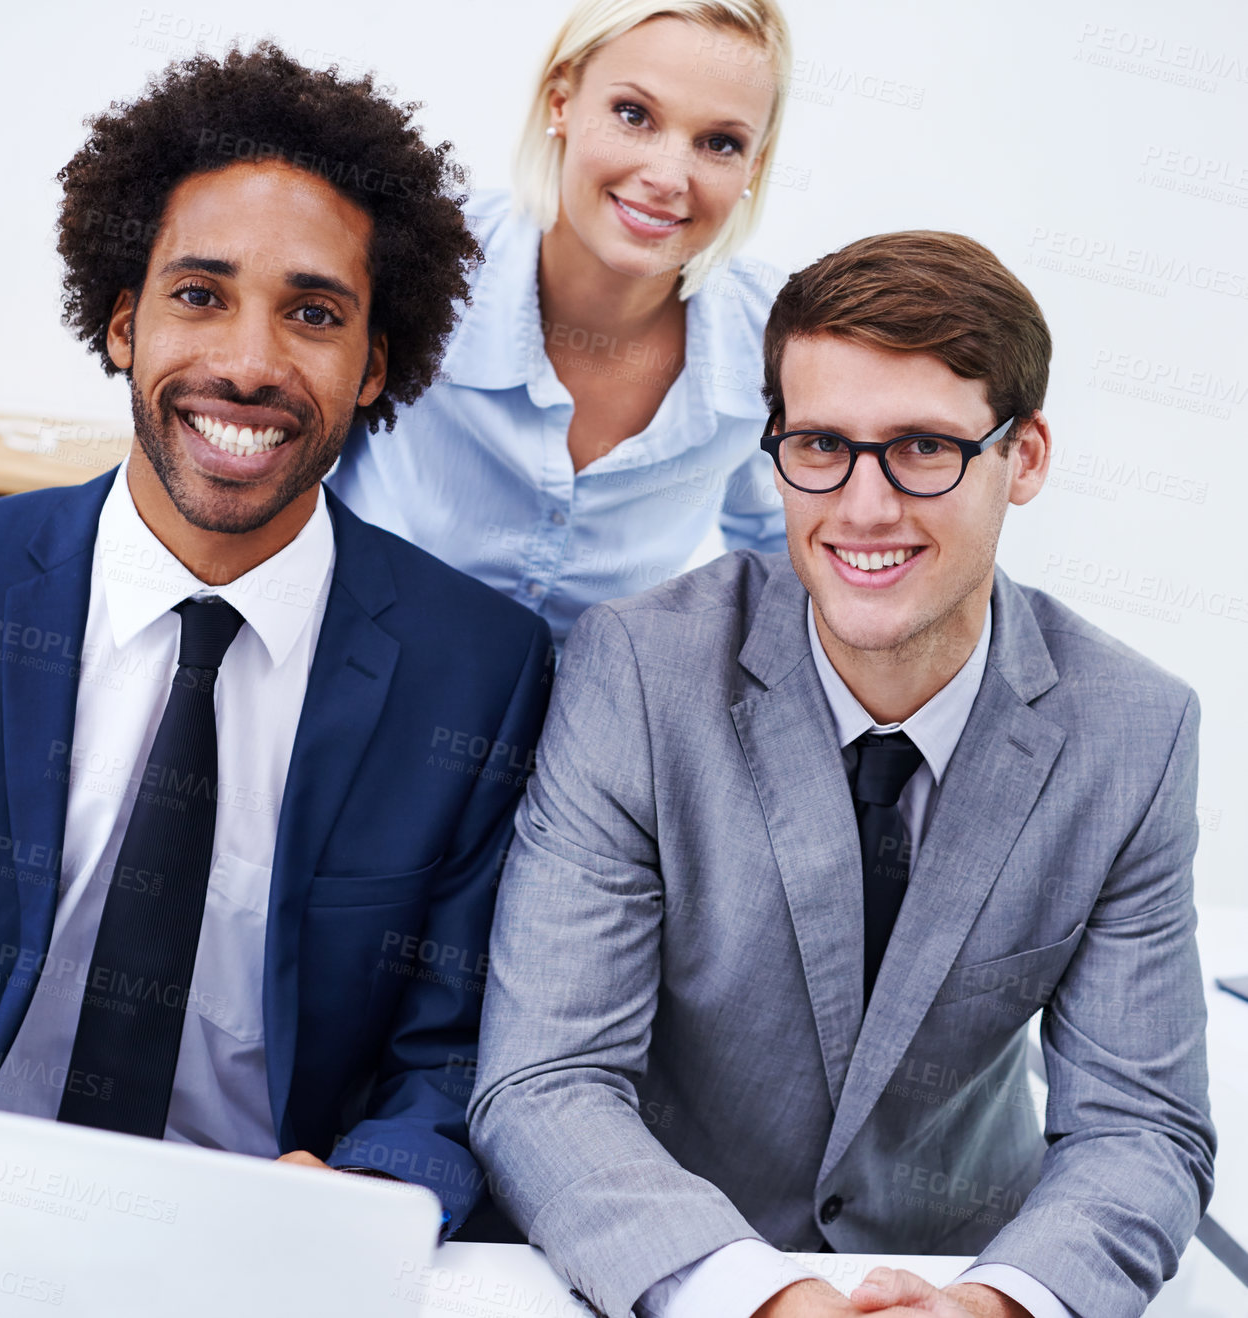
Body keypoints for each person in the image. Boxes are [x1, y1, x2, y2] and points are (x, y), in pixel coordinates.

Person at [0, 43, 551, 1234]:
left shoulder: (478, 666)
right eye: (199, 294)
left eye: (313, 314)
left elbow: (455, 1042)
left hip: (257, 1244)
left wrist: (369, 1192)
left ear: (377, 364)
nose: (248, 364)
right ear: (122, 323)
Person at [468, 231, 1213, 1316]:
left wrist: (998, 1303)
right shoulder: (638, 670)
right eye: (820, 444)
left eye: (921, 448)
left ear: (1027, 457)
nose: (862, 507)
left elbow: (1137, 1126)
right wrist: (752, 1297)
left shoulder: (1133, 730)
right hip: (670, 1260)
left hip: (958, 1260)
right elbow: (547, 1079)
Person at [328, 0, 793, 650]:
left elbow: (784, 548)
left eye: (720, 143)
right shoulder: (423, 260)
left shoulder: (776, 345)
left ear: (754, 167)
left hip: (600, 716)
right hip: (365, 664)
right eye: (633, 115)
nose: (666, 177)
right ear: (561, 103)